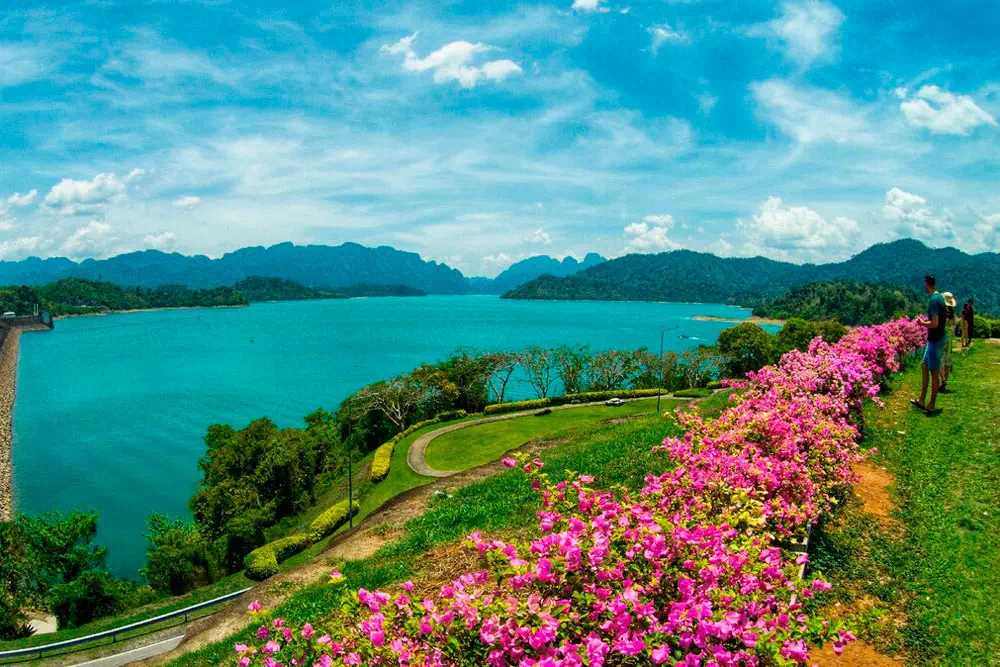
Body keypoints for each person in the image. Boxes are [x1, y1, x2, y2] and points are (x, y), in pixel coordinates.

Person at [912, 274, 947, 413]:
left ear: (927, 284)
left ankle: (931, 405)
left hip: (935, 340)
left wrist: (921, 323)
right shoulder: (940, 297)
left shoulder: (933, 300)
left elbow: (934, 323)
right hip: (937, 338)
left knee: (934, 373)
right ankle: (921, 400)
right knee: (924, 365)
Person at [940, 292, 957, 390]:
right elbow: (955, 324)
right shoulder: (952, 314)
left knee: (938, 359)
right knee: (947, 359)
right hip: (950, 338)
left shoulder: (943, 312)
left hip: (942, 336)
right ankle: (945, 378)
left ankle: (943, 379)